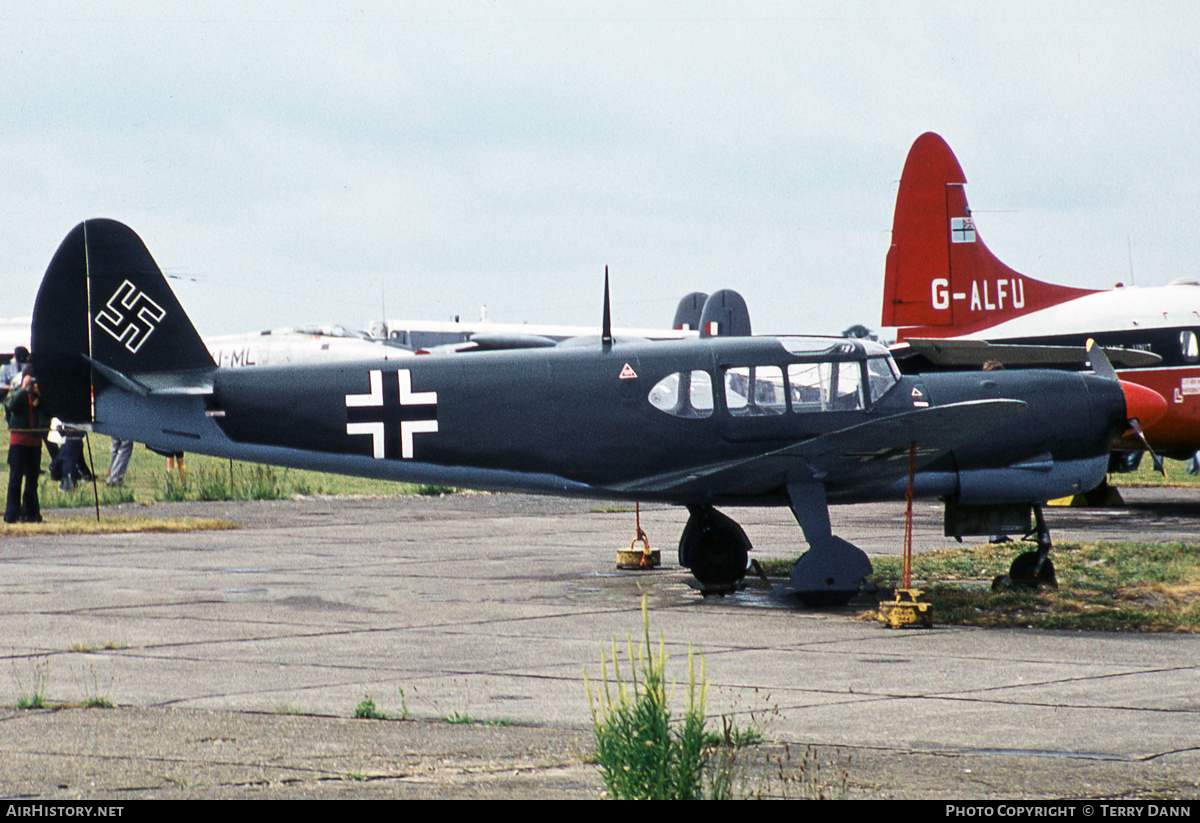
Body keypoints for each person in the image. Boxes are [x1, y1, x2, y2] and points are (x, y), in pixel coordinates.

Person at [4, 368, 49, 523]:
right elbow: (10, 406)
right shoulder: (19, 394)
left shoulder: (42, 398)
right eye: (34, 384)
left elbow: (47, 414)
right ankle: (11, 514)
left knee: (32, 480)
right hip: (19, 442)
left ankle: (31, 513)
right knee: (15, 478)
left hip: (35, 443)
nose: (37, 387)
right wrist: (24, 389)